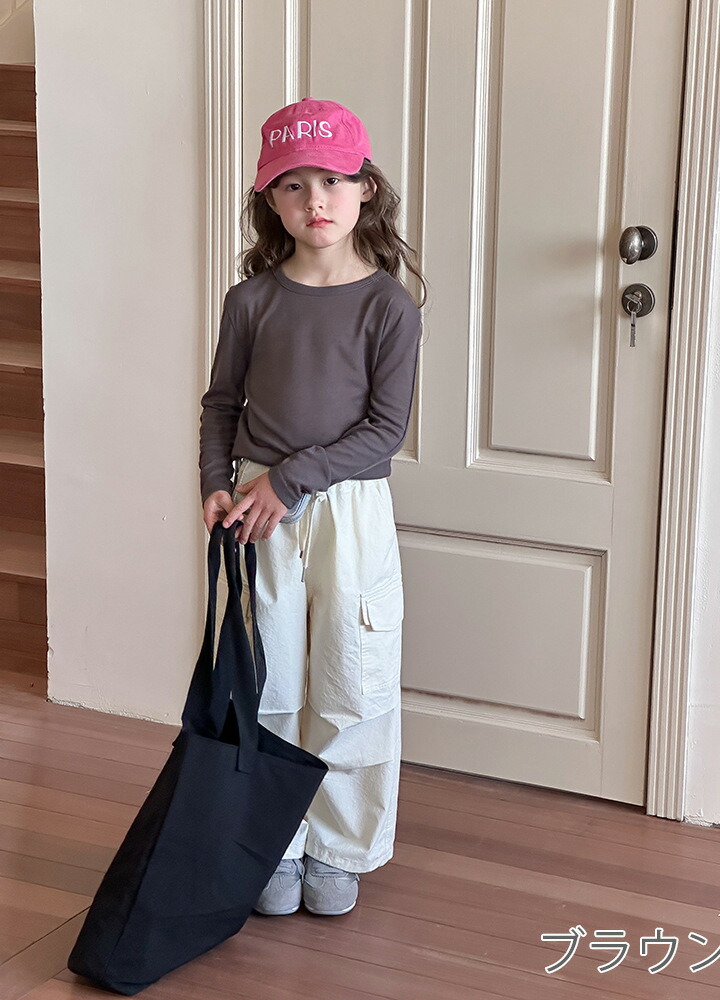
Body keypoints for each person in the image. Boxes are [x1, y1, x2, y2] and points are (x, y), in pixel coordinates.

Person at [198, 97, 428, 918]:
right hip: (258, 508)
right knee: (268, 678)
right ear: (270, 199)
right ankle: (275, 842)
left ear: (367, 188)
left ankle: (338, 848)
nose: (315, 201)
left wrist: (292, 480)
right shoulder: (251, 301)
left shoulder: (389, 307)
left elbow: (384, 432)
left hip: (346, 509)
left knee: (349, 674)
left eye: (331, 180)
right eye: (293, 185)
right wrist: (216, 480)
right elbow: (221, 403)